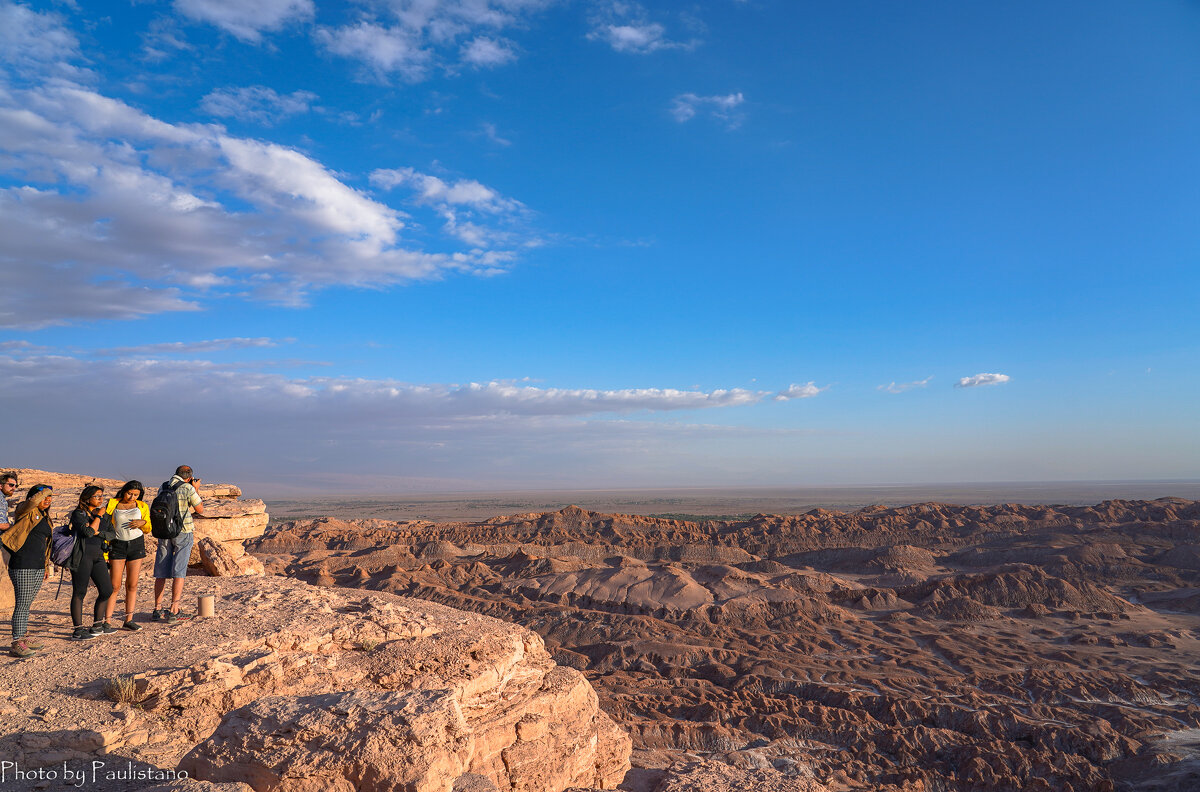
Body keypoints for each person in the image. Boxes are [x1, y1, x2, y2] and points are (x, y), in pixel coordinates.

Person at [1, 484, 54, 657]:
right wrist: (44, 490)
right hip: (22, 563)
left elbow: (45, 545)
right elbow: (33, 502)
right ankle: (16, 642)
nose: (47, 500)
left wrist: (46, 566)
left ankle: (23, 638)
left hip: (38, 565)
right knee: (22, 605)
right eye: (44, 496)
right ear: (33, 497)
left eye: (50, 497)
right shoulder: (24, 510)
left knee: (27, 604)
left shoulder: (45, 516)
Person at [152, 465, 204, 625]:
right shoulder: (188, 487)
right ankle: (174, 609)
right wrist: (195, 489)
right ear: (189, 477)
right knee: (179, 571)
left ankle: (157, 608)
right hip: (183, 530)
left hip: (164, 531)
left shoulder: (164, 486)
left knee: (161, 571)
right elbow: (199, 509)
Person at [67, 485, 115, 640]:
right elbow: (87, 533)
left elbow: (112, 534)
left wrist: (98, 531)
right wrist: (98, 518)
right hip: (82, 555)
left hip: (99, 555)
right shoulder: (78, 514)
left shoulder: (104, 515)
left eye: (102, 496)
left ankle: (97, 625)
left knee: (107, 590)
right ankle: (78, 629)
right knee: (80, 592)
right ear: (86, 499)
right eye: (97, 496)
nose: (101, 499)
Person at [103, 481, 150, 631]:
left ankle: (129, 619)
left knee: (132, 584)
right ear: (124, 491)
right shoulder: (113, 504)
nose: (132, 497)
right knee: (114, 585)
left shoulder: (142, 506)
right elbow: (105, 525)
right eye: (130, 493)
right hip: (117, 545)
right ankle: (107, 621)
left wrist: (142, 522)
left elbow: (148, 528)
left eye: (136, 495)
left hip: (136, 545)